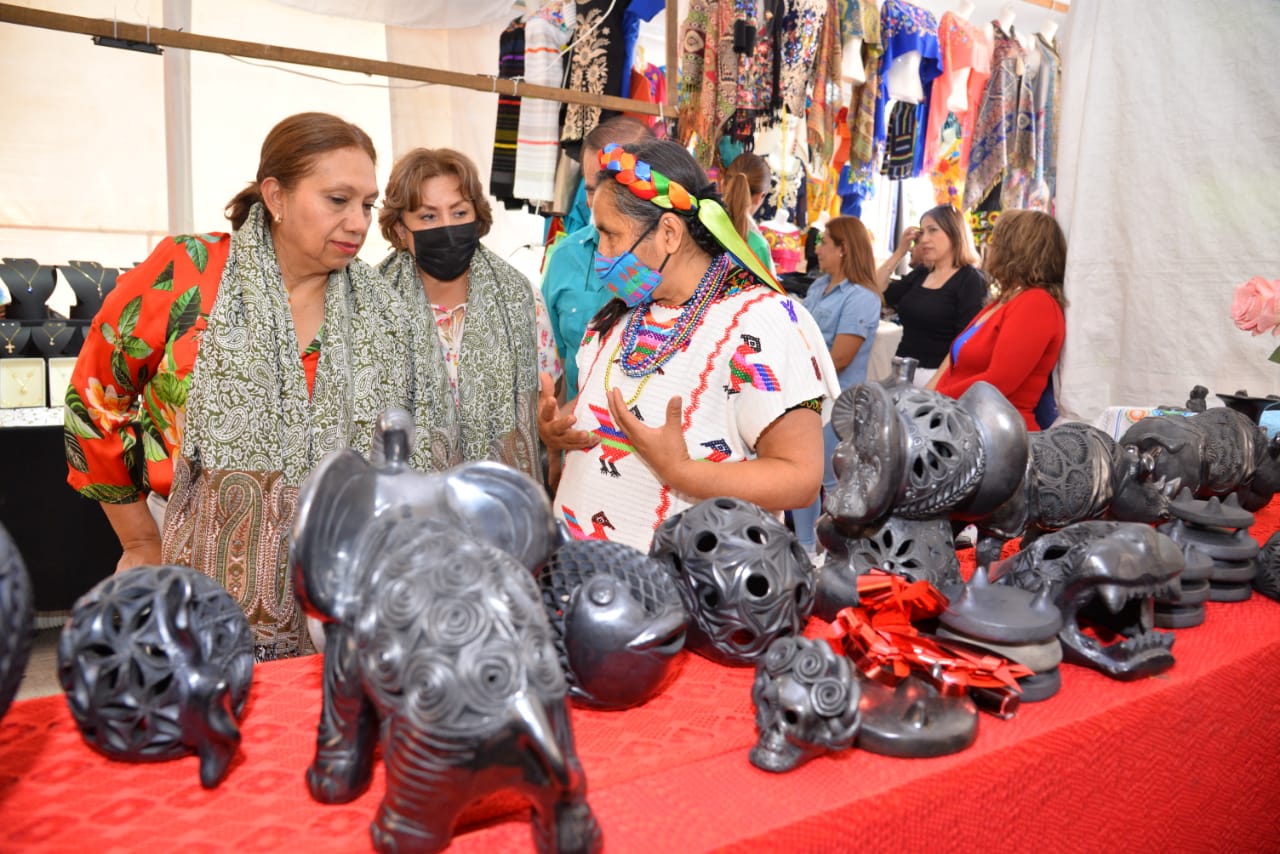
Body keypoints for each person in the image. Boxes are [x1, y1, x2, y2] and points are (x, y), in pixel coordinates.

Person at [65, 112, 456, 660]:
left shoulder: (387, 309)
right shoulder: (188, 273)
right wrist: (138, 540)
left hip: (343, 590)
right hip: (189, 570)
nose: (357, 223)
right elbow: (95, 403)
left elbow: (422, 446)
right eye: (337, 200)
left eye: (366, 205)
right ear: (275, 195)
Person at [543, 139, 840, 551]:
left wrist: (683, 472)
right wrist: (559, 430)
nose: (601, 256)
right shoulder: (620, 313)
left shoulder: (762, 321)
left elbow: (801, 479)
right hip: (582, 577)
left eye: (610, 236)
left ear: (668, 232)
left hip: (682, 596)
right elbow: (610, 416)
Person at [378, 147, 559, 480]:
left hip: (502, 504)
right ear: (402, 228)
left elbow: (546, 394)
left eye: (459, 213)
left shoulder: (519, 297)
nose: (447, 227)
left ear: (477, 217)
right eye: (428, 216)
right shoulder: (373, 303)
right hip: (404, 506)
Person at [542, 116, 655, 402]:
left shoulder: (675, 266)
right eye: (591, 189)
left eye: (612, 187)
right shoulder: (565, 259)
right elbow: (560, 365)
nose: (597, 201)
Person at [790, 216, 882, 558]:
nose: (818, 248)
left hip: (836, 401)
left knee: (829, 480)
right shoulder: (818, 287)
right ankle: (804, 547)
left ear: (843, 249)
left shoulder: (861, 298)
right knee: (804, 475)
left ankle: (833, 553)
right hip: (807, 393)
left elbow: (840, 357)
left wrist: (793, 363)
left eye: (825, 242)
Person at [933, 209, 1067, 431]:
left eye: (996, 241)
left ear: (1014, 250)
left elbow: (998, 381)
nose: (990, 248)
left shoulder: (1036, 304)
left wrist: (936, 400)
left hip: (998, 435)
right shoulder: (1006, 300)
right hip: (966, 422)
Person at [874, 204, 987, 386]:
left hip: (937, 379)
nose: (924, 239)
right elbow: (877, 289)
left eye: (933, 231)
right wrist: (900, 252)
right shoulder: (921, 273)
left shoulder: (970, 280)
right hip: (901, 373)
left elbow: (964, 343)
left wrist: (934, 384)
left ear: (955, 234)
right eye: (922, 233)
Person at [720, 152, 776, 276]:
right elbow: (768, 293)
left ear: (723, 184)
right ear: (760, 196)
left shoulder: (701, 222)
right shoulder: (758, 246)